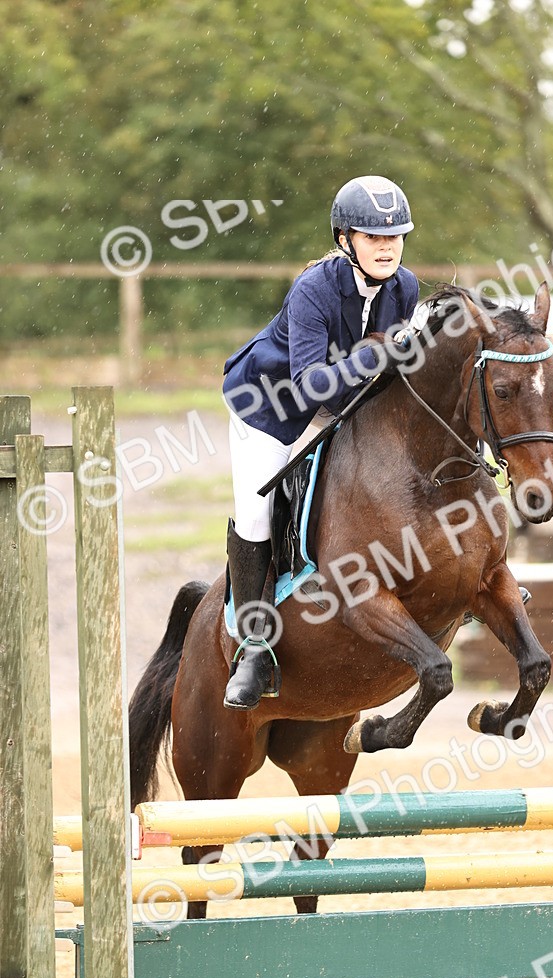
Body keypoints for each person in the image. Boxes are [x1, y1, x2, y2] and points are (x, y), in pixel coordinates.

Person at [221, 175, 419, 710]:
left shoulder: (406, 288)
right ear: (343, 239)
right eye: (372, 236)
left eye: (395, 236)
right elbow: (310, 383)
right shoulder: (313, 288)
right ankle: (254, 645)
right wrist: (378, 352)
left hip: (338, 408)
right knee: (258, 511)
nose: (386, 246)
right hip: (270, 408)